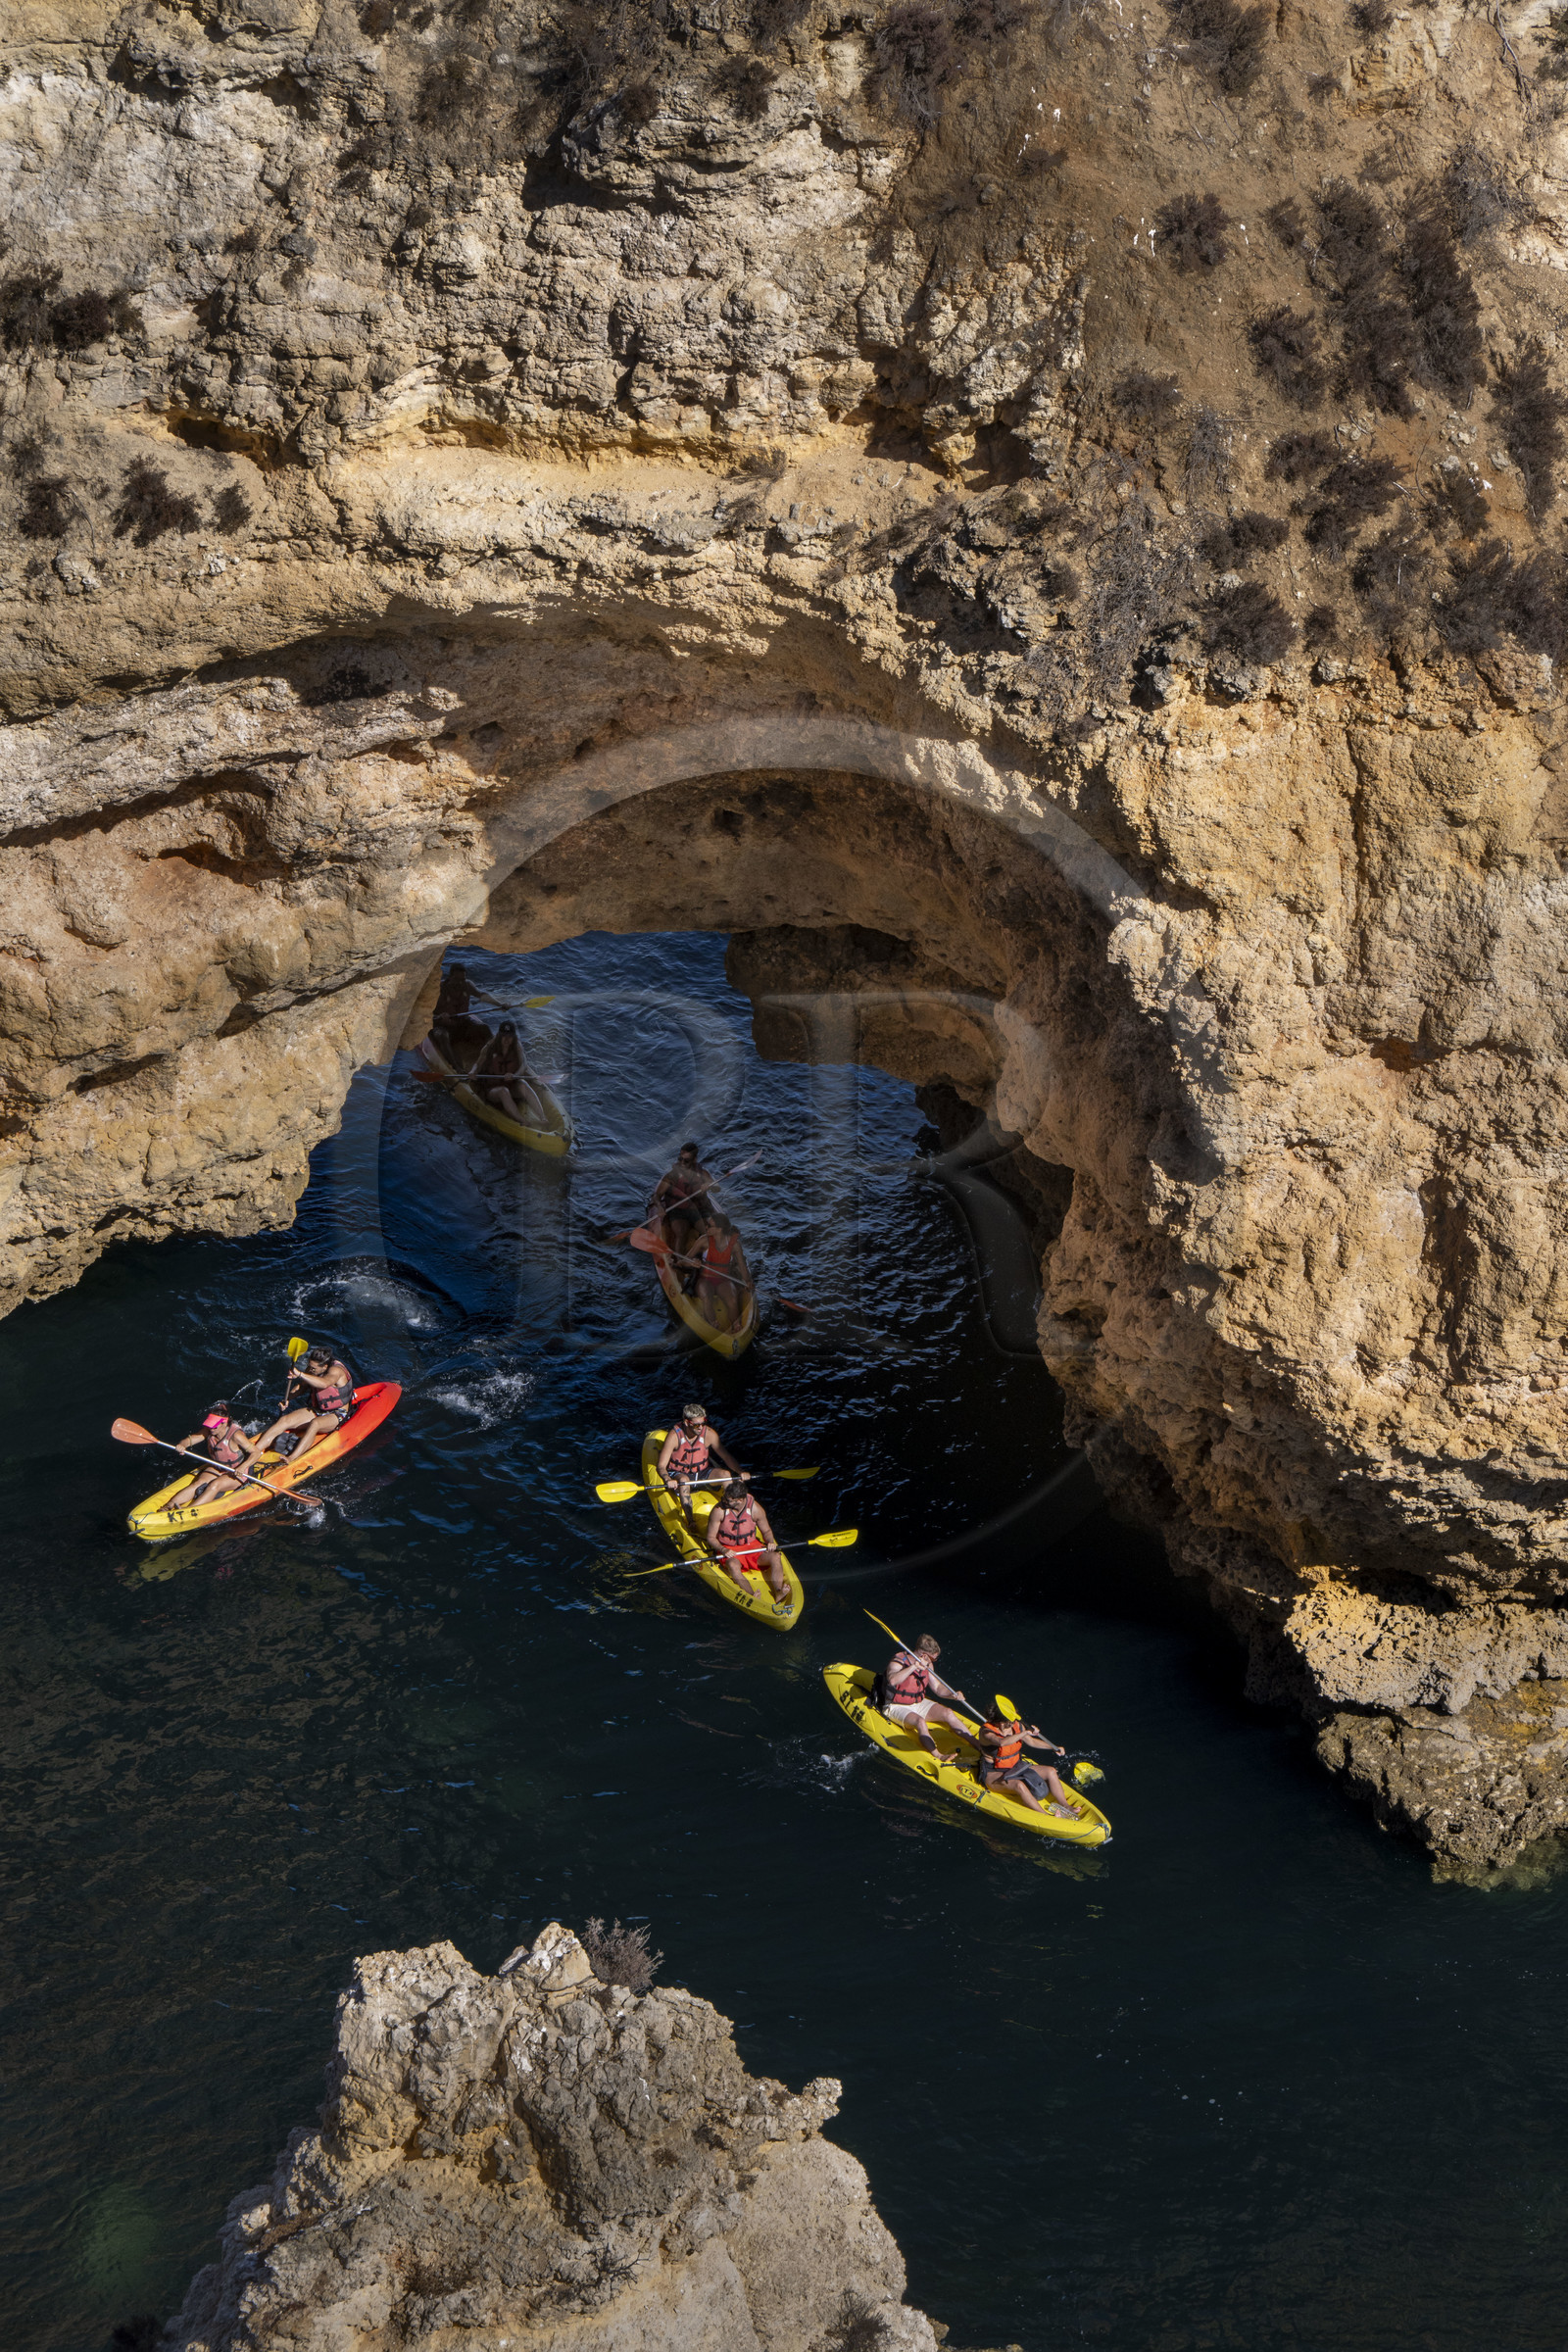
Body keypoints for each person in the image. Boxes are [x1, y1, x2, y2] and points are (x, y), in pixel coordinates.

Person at [242, 1347, 355, 1468]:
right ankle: (254, 1452)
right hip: (318, 1409)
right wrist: (287, 1399)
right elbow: (301, 1387)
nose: (310, 1369)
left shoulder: (336, 1371)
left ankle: (291, 1458)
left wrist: (300, 1374)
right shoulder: (313, 1369)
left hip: (337, 1414)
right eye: (309, 1366)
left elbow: (324, 1383)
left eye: (313, 1368)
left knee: (315, 1424)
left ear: (325, 1367)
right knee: (285, 1420)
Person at [970, 1698, 1076, 1819]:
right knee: (1019, 1785)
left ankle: (1065, 1805)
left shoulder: (1016, 1726)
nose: (1014, 1721)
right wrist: (1025, 1733)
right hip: (993, 1773)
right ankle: (1045, 1815)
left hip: (1015, 1767)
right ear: (1001, 1722)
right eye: (1011, 1720)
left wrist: (1053, 1747)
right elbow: (1002, 1743)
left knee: (1051, 1771)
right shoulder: (986, 1733)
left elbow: (1031, 1741)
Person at [879, 1634, 977, 1764]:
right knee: (920, 1722)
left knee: (948, 1713)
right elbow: (892, 1680)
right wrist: (914, 1667)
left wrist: (952, 1695)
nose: (934, 1661)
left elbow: (937, 1688)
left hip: (917, 1702)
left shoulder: (928, 1665)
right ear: (924, 1655)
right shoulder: (898, 1661)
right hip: (895, 1705)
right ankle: (938, 1755)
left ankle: (978, 1745)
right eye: (934, 1659)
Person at [705, 1478, 790, 1612]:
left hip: (752, 1547)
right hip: (729, 1549)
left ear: (739, 1500)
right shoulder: (719, 1510)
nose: (723, 1501)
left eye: (728, 1500)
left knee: (775, 1557)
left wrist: (770, 1541)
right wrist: (723, 1549)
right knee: (732, 1565)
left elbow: (766, 1531)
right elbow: (710, 1537)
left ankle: (778, 1591)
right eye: (724, 1498)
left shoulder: (755, 1509)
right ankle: (751, 1595)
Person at [656, 1403, 744, 1524]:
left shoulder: (709, 1434)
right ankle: (691, 1522)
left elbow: (726, 1457)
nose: (700, 1427)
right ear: (687, 1423)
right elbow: (661, 1466)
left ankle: (732, 1513)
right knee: (683, 1481)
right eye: (697, 1425)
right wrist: (667, 1479)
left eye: (703, 1423)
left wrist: (740, 1472)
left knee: (726, 1474)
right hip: (679, 1473)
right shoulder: (674, 1437)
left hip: (702, 1472)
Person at [165, 1403, 258, 1509]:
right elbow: (190, 1440)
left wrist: (243, 1466)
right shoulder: (208, 1431)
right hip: (218, 1467)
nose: (211, 1428)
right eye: (209, 1425)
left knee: (214, 1485)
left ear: (224, 1423)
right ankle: (168, 1506)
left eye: (214, 1426)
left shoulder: (236, 1436)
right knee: (198, 1483)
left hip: (237, 1471)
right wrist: (182, 1445)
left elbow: (256, 1453)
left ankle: (188, 1511)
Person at [469, 1019, 546, 1128]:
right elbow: (477, 1064)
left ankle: (543, 1117)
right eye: (504, 1036)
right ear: (499, 1035)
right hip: (492, 1089)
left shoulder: (517, 1046)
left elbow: (524, 1064)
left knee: (523, 1084)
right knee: (503, 1091)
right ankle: (522, 1120)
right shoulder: (489, 1048)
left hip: (511, 1084)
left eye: (509, 1037)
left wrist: (515, 1075)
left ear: (513, 1037)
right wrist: (473, 1072)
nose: (506, 1040)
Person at [652, 1143, 713, 1259]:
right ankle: (679, 1262)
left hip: (700, 1208)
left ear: (694, 1160)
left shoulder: (702, 1174)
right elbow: (656, 1196)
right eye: (680, 1159)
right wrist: (659, 1207)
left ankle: (710, 1258)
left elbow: (717, 1188)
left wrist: (709, 1185)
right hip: (679, 1210)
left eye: (686, 1161)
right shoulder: (671, 1176)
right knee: (681, 1233)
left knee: (709, 1232)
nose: (682, 1163)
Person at [695, 1210, 751, 1331]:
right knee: (707, 1297)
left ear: (719, 1229)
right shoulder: (704, 1240)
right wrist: (692, 1262)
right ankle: (712, 1323)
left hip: (723, 1279)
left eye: (709, 1226)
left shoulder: (734, 1244)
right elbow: (684, 1260)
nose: (706, 1227)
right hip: (705, 1279)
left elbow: (742, 1266)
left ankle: (736, 1325)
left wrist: (747, 1281)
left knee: (732, 1299)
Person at [430, 962, 492, 1070]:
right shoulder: (437, 989)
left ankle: (497, 1055)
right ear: (450, 977)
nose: (460, 983)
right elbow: (424, 1011)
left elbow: (482, 995)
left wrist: (501, 1004)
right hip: (442, 1025)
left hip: (462, 1023)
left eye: (462, 979)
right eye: (457, 980)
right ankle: (456, 1068)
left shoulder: (467, 985)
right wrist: (439, 1016)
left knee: (484, 1028)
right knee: (442, 1035)